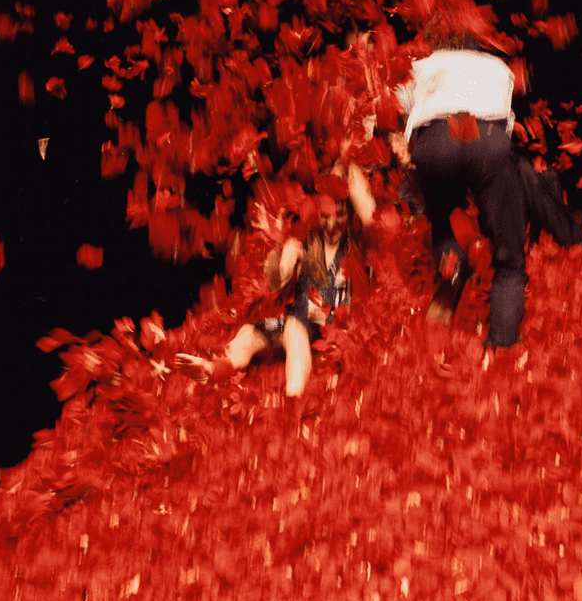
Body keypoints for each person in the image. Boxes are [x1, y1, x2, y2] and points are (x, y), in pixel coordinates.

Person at [176, 163, 376, 399]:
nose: (331, 224)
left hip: (333, 337)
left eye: (339, 215)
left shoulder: (358, 247)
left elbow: (369, 213)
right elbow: (277, 282)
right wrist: (277, 247)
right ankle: (214, 368)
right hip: (295, 327)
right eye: (325, 216)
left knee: (293, 329)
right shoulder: (304, 246)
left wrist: (346, 161)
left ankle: (294, 400)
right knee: (251, 332)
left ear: (349, 213)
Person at [398, 27, 527, 347]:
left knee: (445, 227)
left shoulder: (421, 64)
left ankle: (453, 268)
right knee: (509, 257)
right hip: (485, 137)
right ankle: (501, 345)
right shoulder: (499, 68)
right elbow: (505, 131)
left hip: (436, 141)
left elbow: (397, 108)